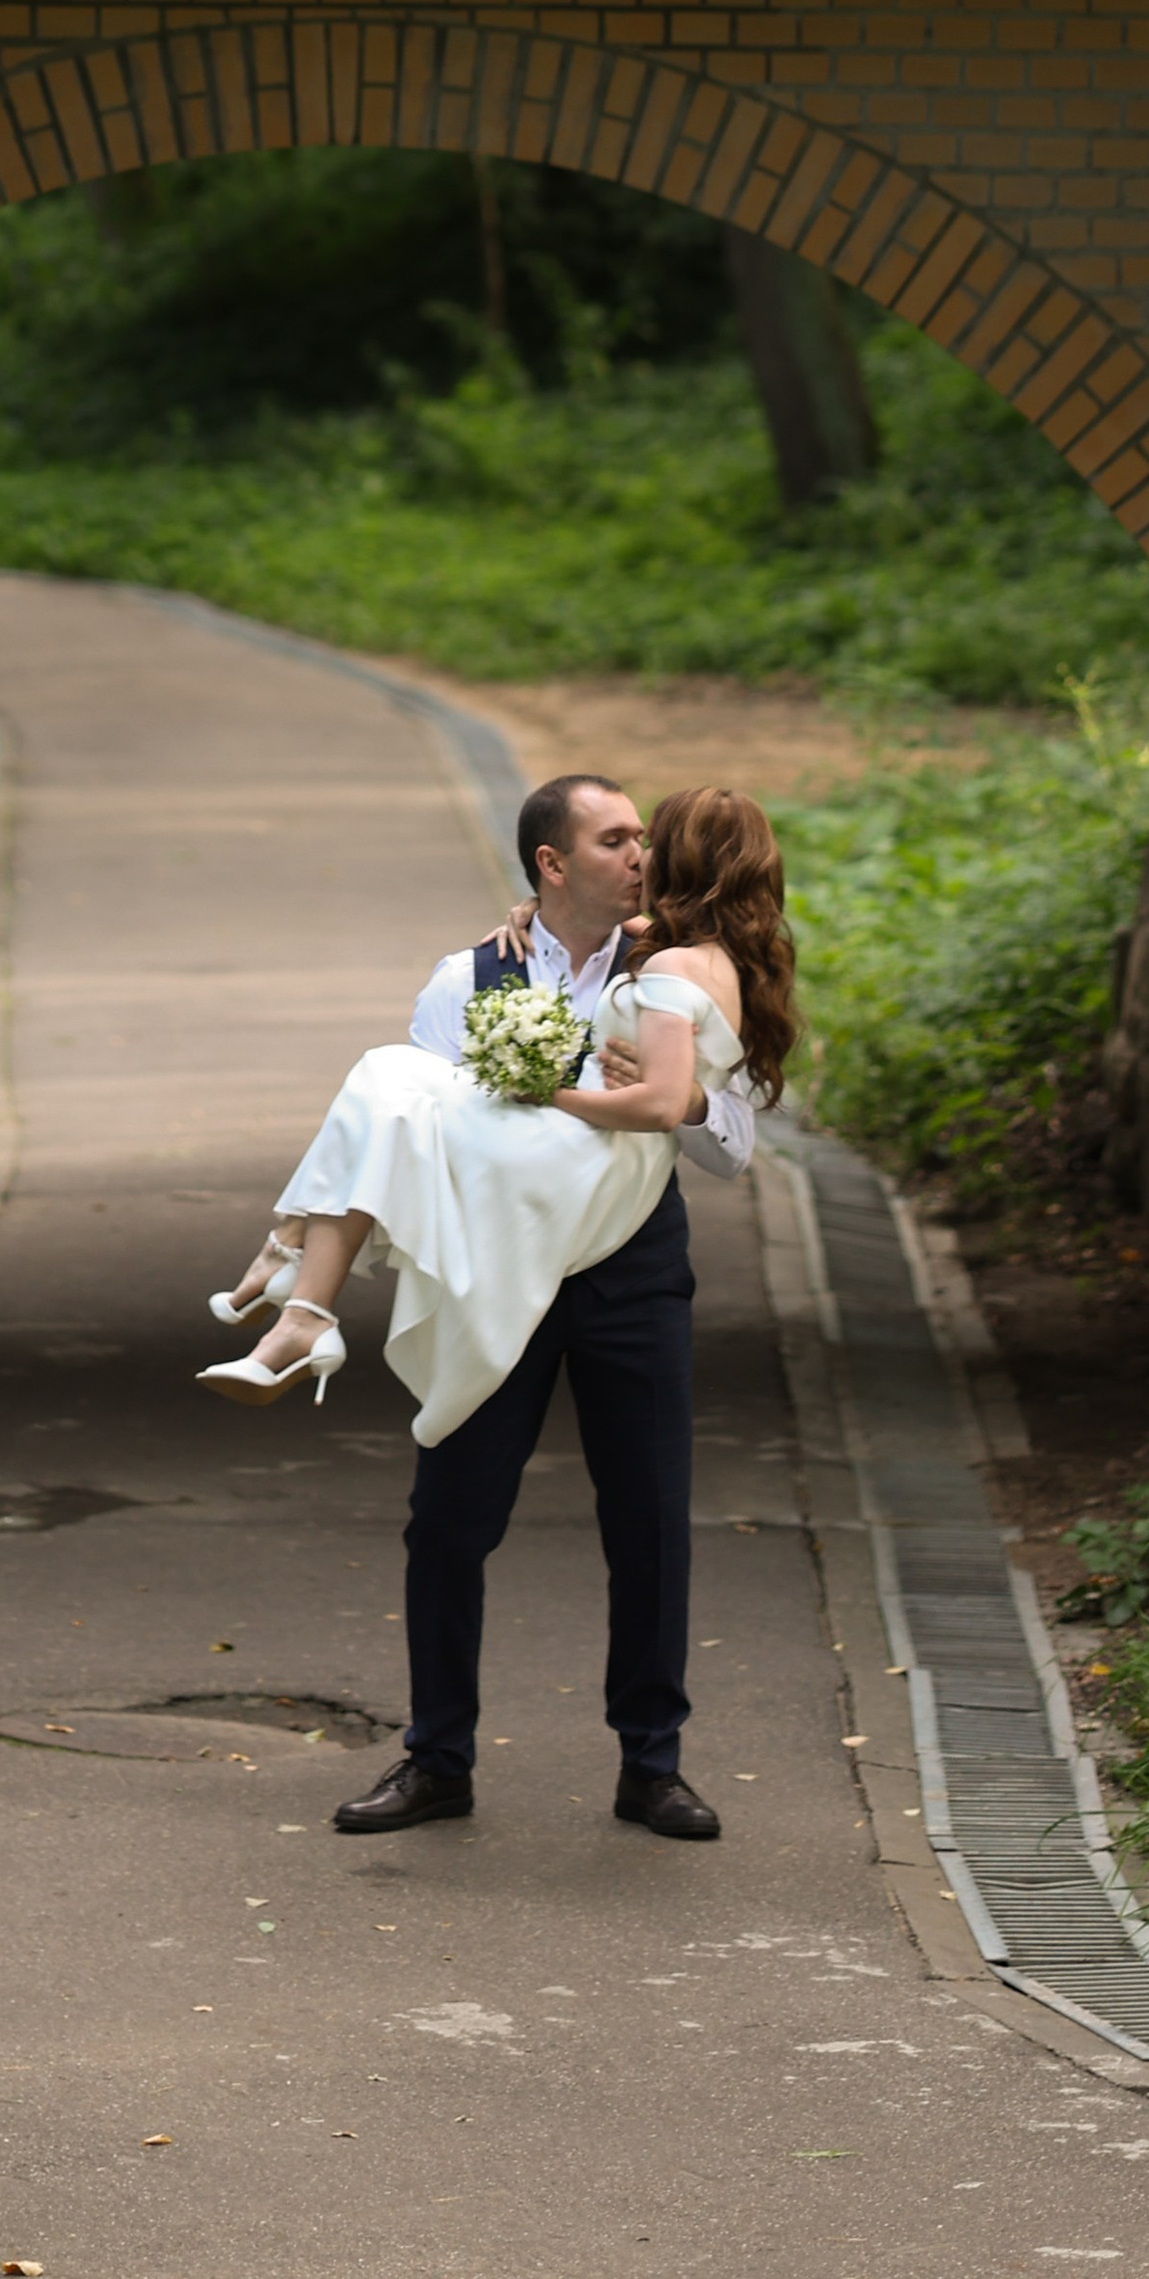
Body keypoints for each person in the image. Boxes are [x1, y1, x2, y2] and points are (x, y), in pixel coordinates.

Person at [199, 774, 798, 1844]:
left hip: (629, 1272)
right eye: (614, 841)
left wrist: (686, 1100)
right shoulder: (463, 978)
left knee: (651, 1520)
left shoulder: (684, 966)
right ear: (550, 866)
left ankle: (651, 1768)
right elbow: (412, 1140)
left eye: (643, 840)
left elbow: (734, 1153)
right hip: (491, 1274)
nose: (642, 857)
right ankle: (437, 1760)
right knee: (448, 1522)